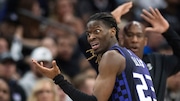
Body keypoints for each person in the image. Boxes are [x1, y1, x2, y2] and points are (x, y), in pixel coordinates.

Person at [32, 11, 156, 101]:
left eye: (97, 31)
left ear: (112, 31)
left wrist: (58, 78)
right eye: (89, 33)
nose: (91, 37)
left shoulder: (112, 56)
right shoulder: (135, 59)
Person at [122, 7, 180, 101]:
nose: (134, 40)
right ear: (122, 40)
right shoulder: (114, 62)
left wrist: (168, 31)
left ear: (145, 41)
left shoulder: (159, 62)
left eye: (139, 35)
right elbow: (91, 49)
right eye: (130, 35)